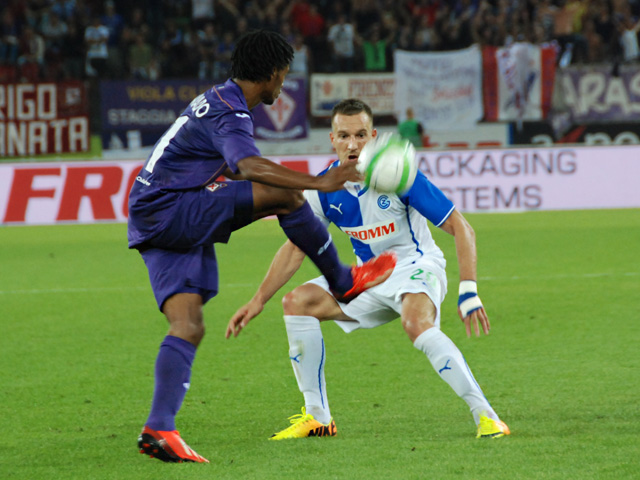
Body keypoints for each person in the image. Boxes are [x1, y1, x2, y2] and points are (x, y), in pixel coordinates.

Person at [128, 31, 395, 464]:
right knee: (287, 196)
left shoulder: (218, 100)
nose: (283, 84)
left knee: (188, 325)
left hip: (151, 214)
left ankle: (159, 429)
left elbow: (233, 169)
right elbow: (247, 166)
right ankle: (342, 280)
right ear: (271, 73)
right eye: (284, 75)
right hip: (172, 208)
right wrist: (318, 182)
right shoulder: (231, 110)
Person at [226, 98, 510, 441]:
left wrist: (469, 291)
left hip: (416, 267)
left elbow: (462, 228)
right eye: (344, 136)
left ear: (373, 137)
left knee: (416, 323)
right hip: (367, 277)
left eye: (360, 135)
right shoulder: (323, 188)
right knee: (297, 303)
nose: (352, 144)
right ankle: (318, 418)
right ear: (332, 139)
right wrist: (258, 300)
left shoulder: (399, 174)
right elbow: (296, 247)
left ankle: (487, 416)